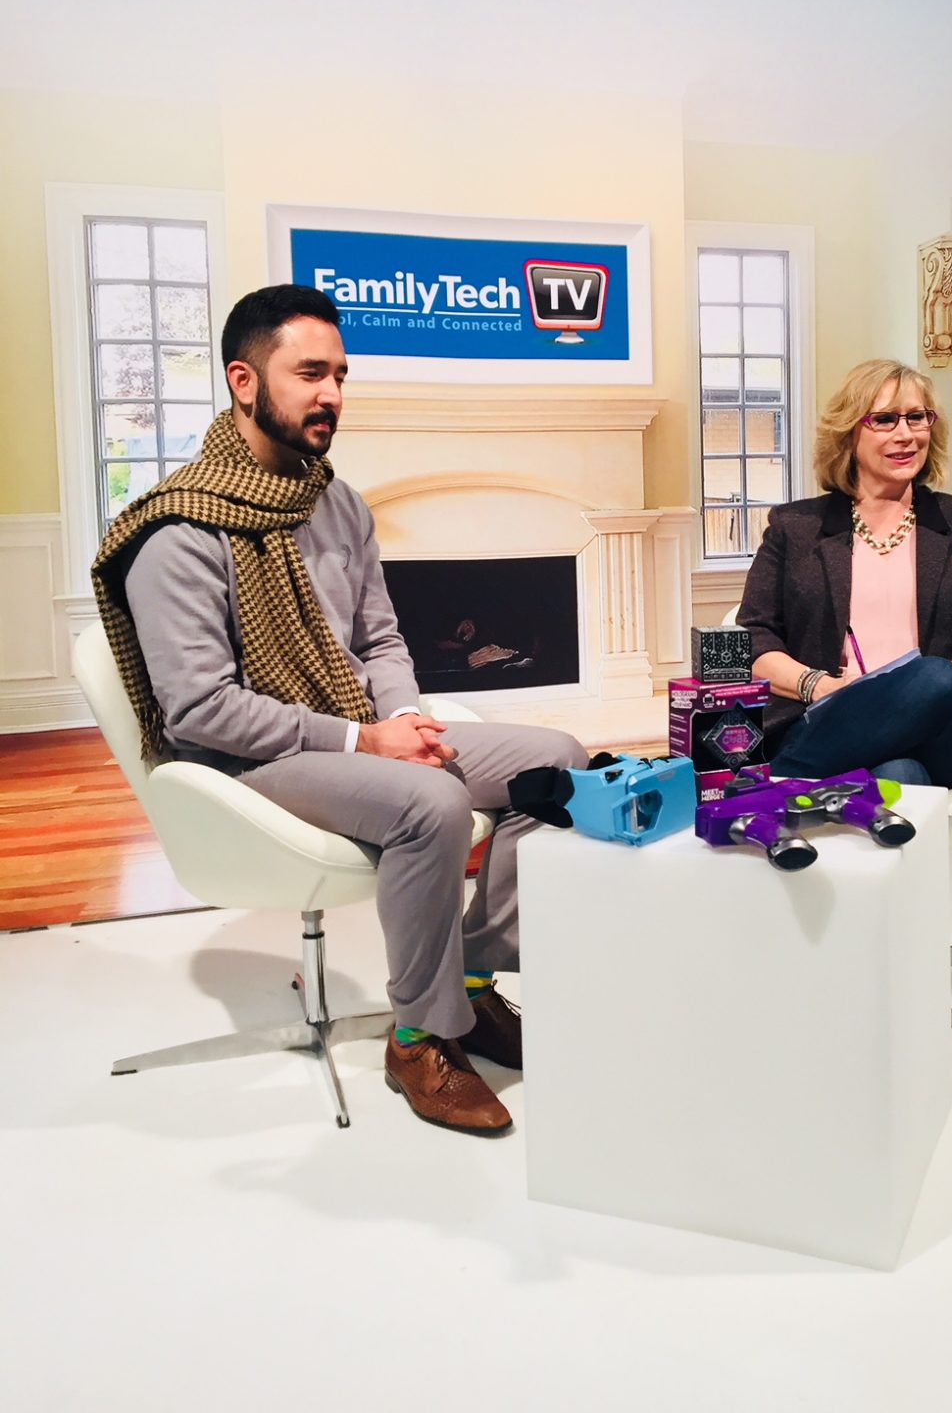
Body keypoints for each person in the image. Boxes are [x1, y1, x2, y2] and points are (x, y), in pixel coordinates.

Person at [92, 284, 587, 1138]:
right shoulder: (179, 530)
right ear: (245, 381)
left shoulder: (338, 502)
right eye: (310, 373)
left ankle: (469, 980)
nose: (332, 394)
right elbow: (200, 710)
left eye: (341, 376)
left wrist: (408, 722)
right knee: (433, 804)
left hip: (353, 728)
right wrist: (366, 739)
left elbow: (380, 639)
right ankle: (418, 1037)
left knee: (561, 761)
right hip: (246, 761)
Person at [737, 357, 952, 789]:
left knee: (936, 675)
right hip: (829, 719)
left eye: (917, 417)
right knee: (899, 775)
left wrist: (915, 686)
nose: (906, 434)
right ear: (849, 431)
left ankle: (768, 785)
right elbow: (754, 637)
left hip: (947, 727)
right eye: (885, 419)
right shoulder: (794, 527)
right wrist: (818, 686)